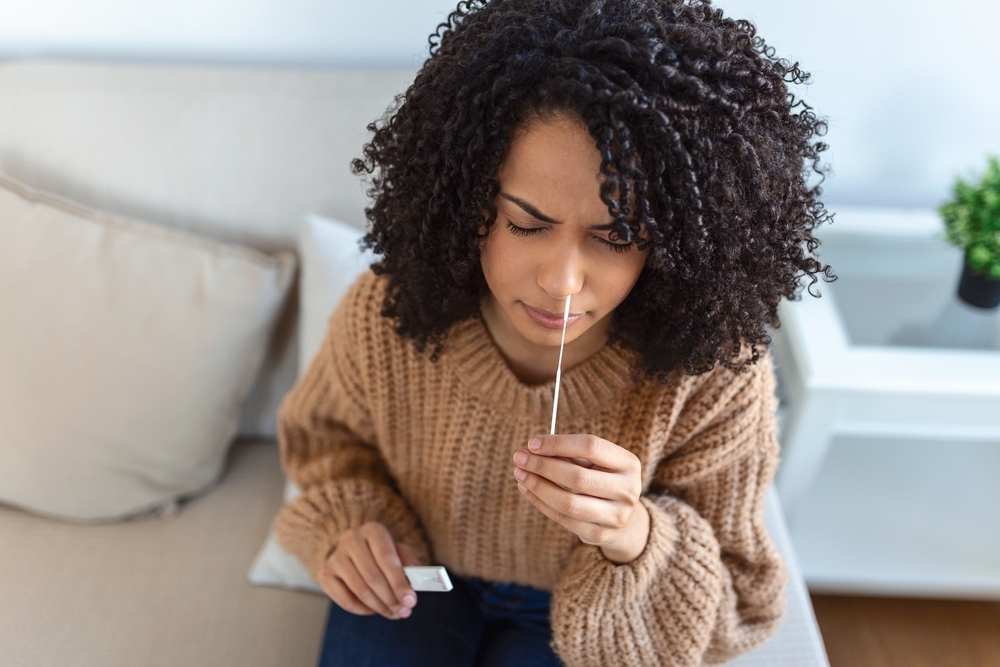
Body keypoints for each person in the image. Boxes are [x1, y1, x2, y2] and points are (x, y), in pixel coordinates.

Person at [274, 1, 833, 665]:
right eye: (526, 223)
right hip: (421, 580)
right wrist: (351, 527)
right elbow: (327, 449)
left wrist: (634, 531)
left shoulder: (714, 371)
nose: (562, 281)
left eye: (616, 236)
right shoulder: (385, 316)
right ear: (464, 196)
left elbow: (740, 597)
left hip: (590, 607)